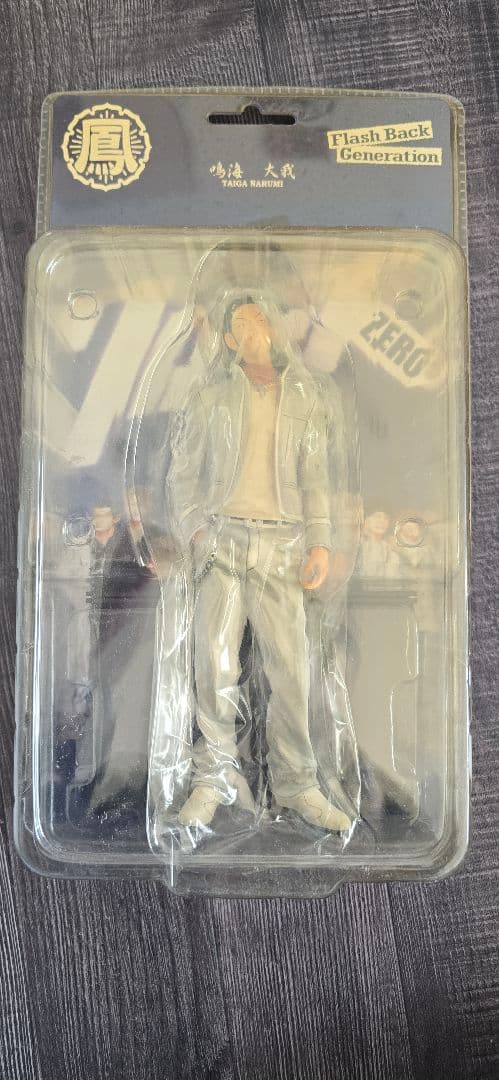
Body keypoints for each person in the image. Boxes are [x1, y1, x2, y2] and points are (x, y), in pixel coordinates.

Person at [169, 294, 351, 832]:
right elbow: (184, 469)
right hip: (223, 540)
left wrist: (320, 542)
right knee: (215, 666)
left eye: (258, 320)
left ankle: (298, 785)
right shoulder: (212, 396)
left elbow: (316, 476)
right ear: (229, 340)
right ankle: (212, 780)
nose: (251, 329)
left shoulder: (305, 396)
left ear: (272, 328)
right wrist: (195, 530)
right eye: (240, 325)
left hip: (281, 547)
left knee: (292, 670)